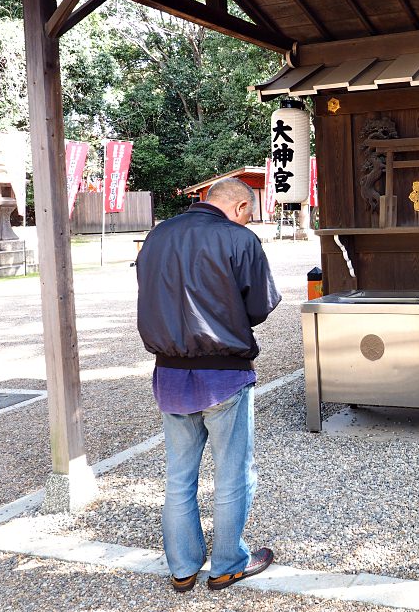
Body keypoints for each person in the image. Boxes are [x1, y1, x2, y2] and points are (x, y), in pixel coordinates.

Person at [136, 177, 281, 592]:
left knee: (179, 475)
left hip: (170, 370)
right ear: (237, 208)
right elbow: (257, 307)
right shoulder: (239, 238)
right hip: (223, 372)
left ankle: (182, 568)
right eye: (248, 213)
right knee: (233, 474)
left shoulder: (157, 235)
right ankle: (228, 563)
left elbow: (150, 295)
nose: (249, 220)